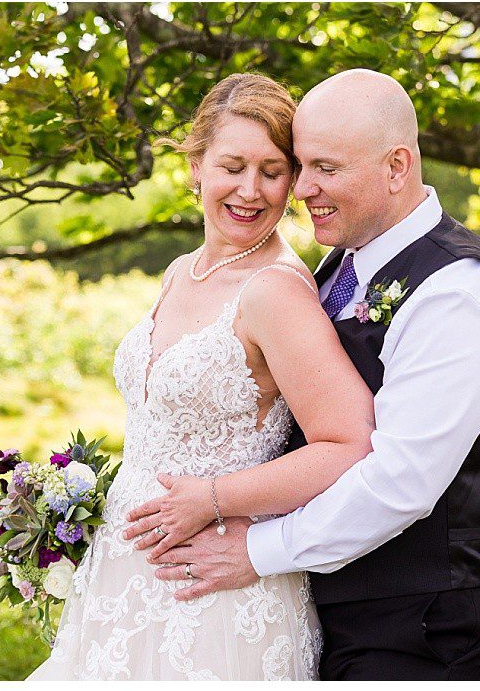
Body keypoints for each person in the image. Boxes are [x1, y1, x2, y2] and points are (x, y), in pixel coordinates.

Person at [128, 68, 480, 680]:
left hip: (433, 621)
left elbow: (400, 483)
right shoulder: (343, 265)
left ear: (397, 166)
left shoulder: (456, 293)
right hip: (343, 604)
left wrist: (254, 551)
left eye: (325, 168)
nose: (301, 190)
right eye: (301, 167)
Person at [29, 73, 376, 680]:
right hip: (123, 576)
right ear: (195, 167)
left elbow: (350, 443)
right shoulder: (179, 271)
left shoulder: (275, 292)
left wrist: (213, 499)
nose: (251, 191)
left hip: (215, 591)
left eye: (273, 171)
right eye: (232, 166)